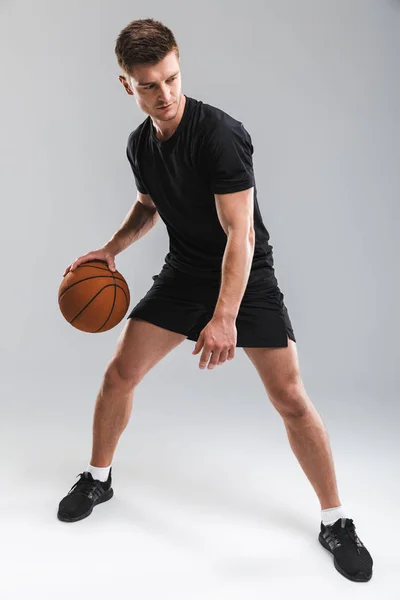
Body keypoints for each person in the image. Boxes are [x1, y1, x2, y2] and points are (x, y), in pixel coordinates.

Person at [57, 18, 373, 582]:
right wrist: (110, 249)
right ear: (126, 84)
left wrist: (225, 316)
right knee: (118, 375)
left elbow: (241, 235)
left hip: (246, 275)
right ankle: (98, 478)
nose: (165, 94)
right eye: (149, 84)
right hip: (185, 271)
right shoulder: (141, 144)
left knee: (291, 398)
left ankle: (337, 520)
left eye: (172, 79)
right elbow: (150, 206)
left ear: (180, 66)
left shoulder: (220, 134)